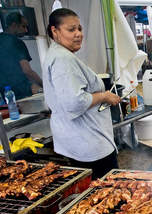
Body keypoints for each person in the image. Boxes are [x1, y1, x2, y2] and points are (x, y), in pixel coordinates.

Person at [43, 8, 120, 179]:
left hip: (81, 140)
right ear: (55, 31)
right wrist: (104, 96)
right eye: (71, 30)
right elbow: (74, 102)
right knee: (106, 192)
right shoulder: (63, 59)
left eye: (79, 29)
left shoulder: (59, 54)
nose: (78, 34)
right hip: (89, 143)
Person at [0, 12, 42, 100]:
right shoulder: (17, 42)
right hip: (20, 91)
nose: (26, 30)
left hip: (2, 92)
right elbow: (27, 71)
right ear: (14, 25)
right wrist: (43, 84)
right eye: (23, 26)